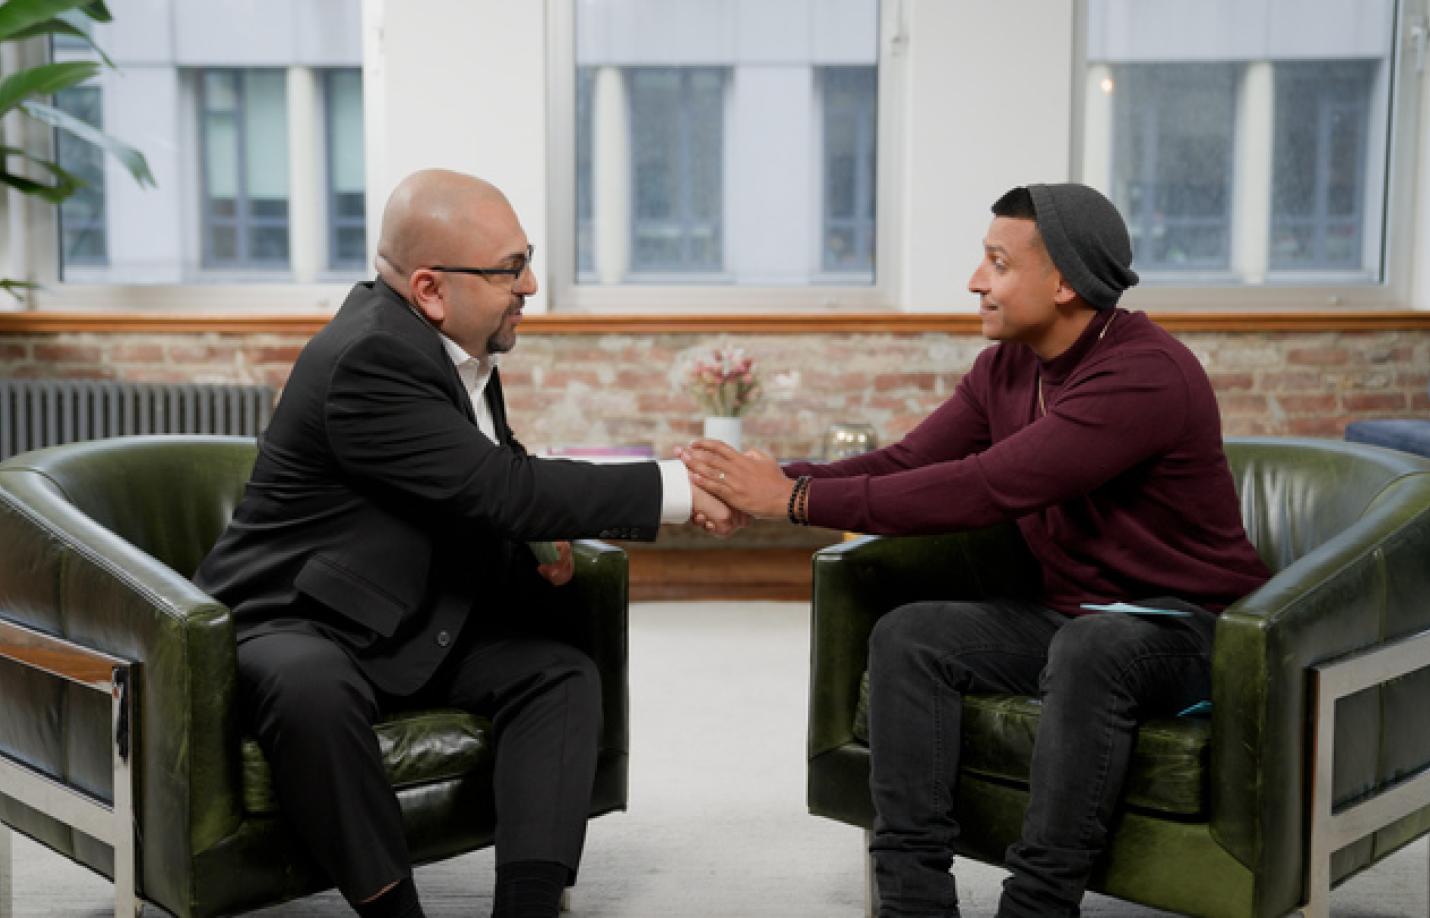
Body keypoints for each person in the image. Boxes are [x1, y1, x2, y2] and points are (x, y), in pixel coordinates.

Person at [679, 183, 1271, 917]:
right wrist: (759, 488)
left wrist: (789, 501)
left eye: (997, 262)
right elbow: (903, 465)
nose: (974, 281)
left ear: (1064, 284)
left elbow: (987, 488)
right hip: (1071, 619)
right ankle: (913, 899)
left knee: (1094, 648)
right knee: (910, 636)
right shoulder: (1008, 367)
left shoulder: (1145, 375)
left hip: (1187, 629)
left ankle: (1037, 905)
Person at [194, 169, 736, 918]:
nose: (532, 284)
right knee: (313, 688)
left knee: (560, 675)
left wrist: (539, 530)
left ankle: (529, 902)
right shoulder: (370, 358)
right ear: (429, 289)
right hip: (293, 618)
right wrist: (674, 489)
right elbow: (498, 489)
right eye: (511, 268)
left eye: (527, 258)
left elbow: (482, 472)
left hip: (408, 612)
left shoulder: (454, 348)